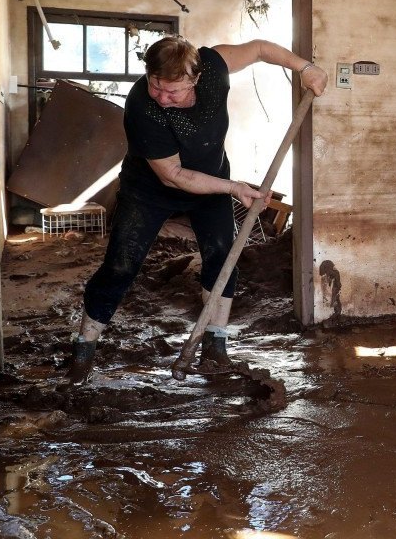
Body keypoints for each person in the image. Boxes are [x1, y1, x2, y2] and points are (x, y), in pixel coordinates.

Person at [66, 36, 329, 385]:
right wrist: (235, 188)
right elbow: (173, 176)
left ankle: (215, 347)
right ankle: (84, 348)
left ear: (195, 77)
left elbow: (261, 50)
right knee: (121, 263)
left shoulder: (214, 66)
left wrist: (305, 68)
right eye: (155, 85)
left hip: (209, 184)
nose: (161, 96)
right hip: (150, 190)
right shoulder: (143, 106)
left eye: (171, 91)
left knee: (224, 256)